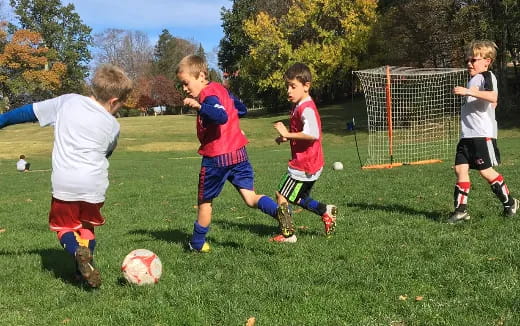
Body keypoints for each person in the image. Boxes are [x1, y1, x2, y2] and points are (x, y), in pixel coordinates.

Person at [0, 64, 133, 287]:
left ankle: (75, 253)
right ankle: (82, 270)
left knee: (64, 227)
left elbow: (27, 112)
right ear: (113, 101)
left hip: (66, 183)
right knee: (86, 227)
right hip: (94, 185)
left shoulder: (68, 101)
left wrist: (2, 120)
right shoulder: (113, 125)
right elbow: (107, 153)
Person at [176, 54, 283, 252]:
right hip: (238, 153)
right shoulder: (221, 89)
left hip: (217, 156)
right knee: (250, 197)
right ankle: (279, 212)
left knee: (205, 203)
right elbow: (241, 110)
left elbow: (220, 115)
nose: (184, 88)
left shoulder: (208, 95)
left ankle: (197, 244)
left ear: (200, 76)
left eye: (186, 83)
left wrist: (200, 107)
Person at [450, 40, 518, 223]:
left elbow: (493, 96)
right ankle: (460, 211)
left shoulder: (487, 75)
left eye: (474, 60)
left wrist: (467, 92)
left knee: (486, 171)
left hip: (481, 135)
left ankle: (510, 203)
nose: (469, 63)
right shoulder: (474, 79)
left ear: (487, 61)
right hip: (467, 136)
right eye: (467, 60)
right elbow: (491, 102)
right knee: (459, 168)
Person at [270, 62, 337, 243]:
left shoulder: (306, 108)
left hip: (304, 163)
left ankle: (288, 235)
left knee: (282, 195)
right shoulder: (301, 105)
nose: (288, 91)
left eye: (293, 86)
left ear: (306, 86)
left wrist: (286, 133)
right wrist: (286, 138)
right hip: (312, 162)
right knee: (298, 197)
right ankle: (325, 211)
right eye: (287, 86)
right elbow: (304, 132)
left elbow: (312, 134)